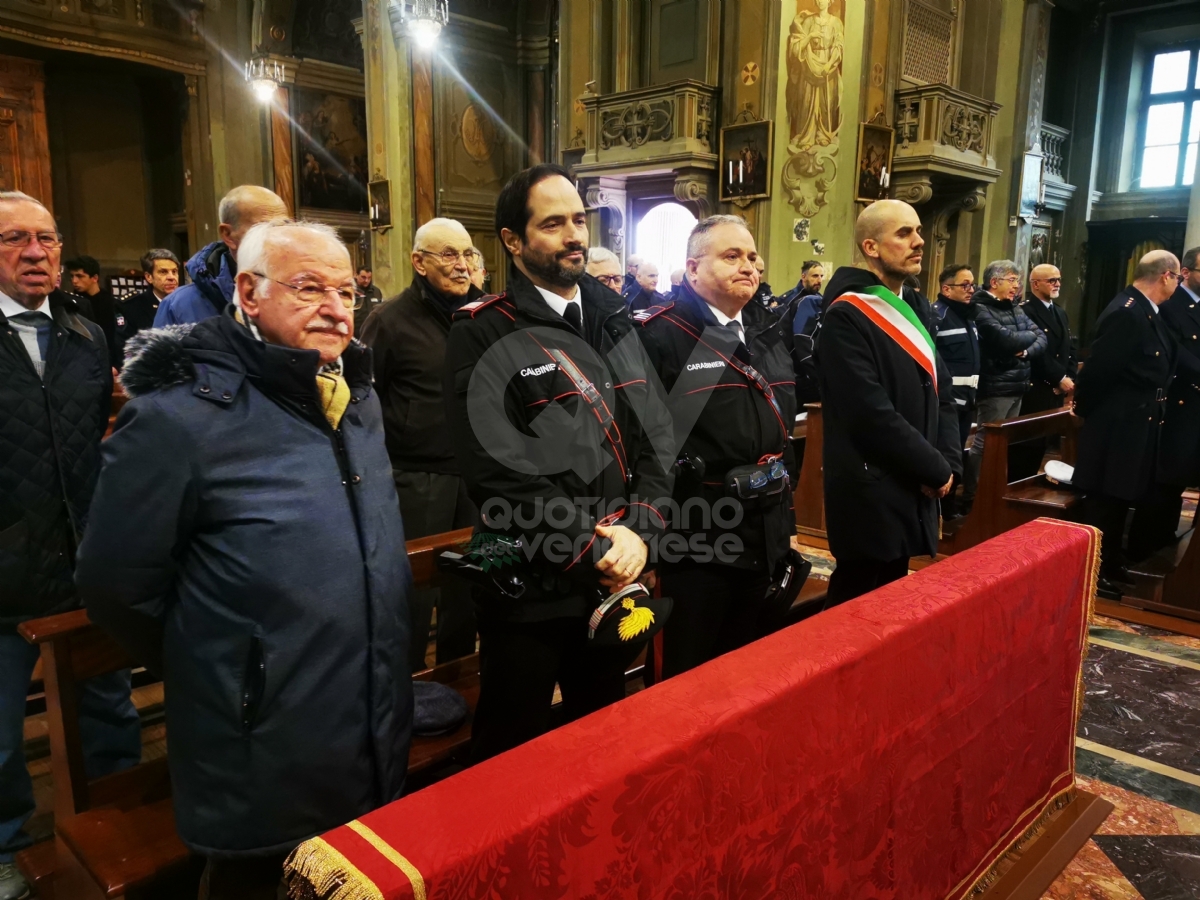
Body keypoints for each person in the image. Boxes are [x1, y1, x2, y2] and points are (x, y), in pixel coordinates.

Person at [76, 220, 413, 898]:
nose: (335, 307)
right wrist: (229, 664)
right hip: (262, 744)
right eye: (309, 287)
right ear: (249, 293)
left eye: (345, 290)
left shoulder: (356, 397)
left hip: (368, 717)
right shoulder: (178, 418)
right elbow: (115, 583)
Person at [443, 164, 670, 763]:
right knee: (509, 750)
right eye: (552, 223)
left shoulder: (614, 317)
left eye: (578, 219)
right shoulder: (482, 330)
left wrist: (641, 533)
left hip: (619, 571)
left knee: (605, 736)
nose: (574, 234)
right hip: (532, 585)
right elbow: (497, 469)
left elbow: (654, 438)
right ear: (513, 241)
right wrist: (594, 551)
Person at [0, 192, 140, 900]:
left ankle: (112, 823)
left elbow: (103, 436)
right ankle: (8, 848)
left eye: (47, 239)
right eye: (14, 239)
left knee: (108, 707)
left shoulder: (86, 337)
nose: (35, 253)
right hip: (2, 570)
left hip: (86, 558)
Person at [636, 215, 798, 676]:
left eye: (751, 257)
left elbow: (784, 434)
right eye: (731, 256)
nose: (749, 266)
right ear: (691, 268)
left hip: (764, 534)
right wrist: (649, 543)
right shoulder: (658, 334)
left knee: (745, 671)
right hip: (695, 544)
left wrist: (784, 521)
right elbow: (644, 449)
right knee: (682, 679)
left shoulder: (768, 332)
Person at [816, 200, 961, 607]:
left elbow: (941, 389)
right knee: (856, 603)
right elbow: (869, 412)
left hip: (914, 477)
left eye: (918, 231)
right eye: (904, 233)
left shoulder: (914, 305)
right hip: (872, 484)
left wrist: (947, 461)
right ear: (871, 247)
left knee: (893, 597)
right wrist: (932, 466)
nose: (919, 242)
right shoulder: (846, 314)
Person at [361, 218, 483, 671]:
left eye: (468, 254)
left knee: (467, 591)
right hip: (416, 476)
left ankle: (458, 677)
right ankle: (406, 683)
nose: (462, 265)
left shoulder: (485, 314)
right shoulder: (388, 319)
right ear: (419, 262)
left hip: (475, 477)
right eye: (449, 255)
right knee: (416, 593)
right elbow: (364, 397)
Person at [1074, 250, 1179, 592]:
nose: (1177, 284)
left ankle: (1111, 560)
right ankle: (1092, 570)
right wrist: (1091, 414)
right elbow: (1098, 372)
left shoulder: (1147, 311)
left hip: (1137, 421)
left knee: (1121, 497)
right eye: (1177, 277)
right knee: (1105, 498)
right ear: (1165, 275)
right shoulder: (1128, 313)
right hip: (1117, 424)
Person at [960, 260, 1046, 514]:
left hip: (1017, 383)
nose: (1017, 286)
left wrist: (1026, 351)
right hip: (995, 384)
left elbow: (1041, 336)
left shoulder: (1014, 307)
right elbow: (1004, 339)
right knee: (985, 442)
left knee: (1003, 443)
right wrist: (1024, 341)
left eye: (1018, 281)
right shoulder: (980, 307)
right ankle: (972, 497)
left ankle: (994, 491)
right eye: (1012, 281)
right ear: (994, 282)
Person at [153, 185, 288, 327]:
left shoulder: (303, 292)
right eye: (264, 229)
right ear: (228, 235)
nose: (279, 239)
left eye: (284, 228)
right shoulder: (178, 306)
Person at [1142, 246, 1200, 559]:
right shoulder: (1171, 305)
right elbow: (1178, 354)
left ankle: (1173, 544)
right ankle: (1149, 546)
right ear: (1186, 273)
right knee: (1168, 480)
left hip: (1196, 402)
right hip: (1179, 401)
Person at [1010, 264, 1078, 480]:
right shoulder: (1024, 310)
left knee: (1045, 445)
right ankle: (1017, 489)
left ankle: (1029, 488)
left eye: (1058, 279)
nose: (1057, 284)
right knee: (1027, 447)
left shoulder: (1059, 311)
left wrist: (1069, 376)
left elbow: (1070, 348)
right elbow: (1036, 351)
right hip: (1036, 388)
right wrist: (1059, 378)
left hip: (1055, 391)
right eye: (1051, 280)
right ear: (1035, 284)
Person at [932, 263, 979, 516]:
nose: (971, 289)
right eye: (965, 285)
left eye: (973, 284)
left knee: (958, 454)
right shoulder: (936, 316)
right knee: (946, 455)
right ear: (947, 289)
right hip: (946, 403)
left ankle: (949, 508)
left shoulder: (967, 316)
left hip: (967, 401)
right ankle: (942, 509)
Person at [112, 249, 181, 368]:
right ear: (149, 277)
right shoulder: (131, 307)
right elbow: (125, 350)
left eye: (174, 272)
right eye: (163, 272)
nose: (171, 277)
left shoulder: (187, 303)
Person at [788, 260, 828, 404]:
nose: (819, 280)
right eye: (815, 276)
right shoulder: (797, 301)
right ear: (803, 277)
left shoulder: (820, 300)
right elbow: (802, 341)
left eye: (821, 276)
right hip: (794, 371)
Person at [65, 254, 117, 351]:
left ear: (94, 278)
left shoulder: (109, 302)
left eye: (80, 276)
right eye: (72, 276)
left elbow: (114, 336)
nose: (74, 281)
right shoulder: (71, 302)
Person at [352, 263, 384, 334]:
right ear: (356, 275)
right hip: (355, 333)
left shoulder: (376, 291)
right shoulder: (350, 291)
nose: (366, 280)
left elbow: (381, 311)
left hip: (372, 332)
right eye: (363, 277)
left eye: (369, 278)